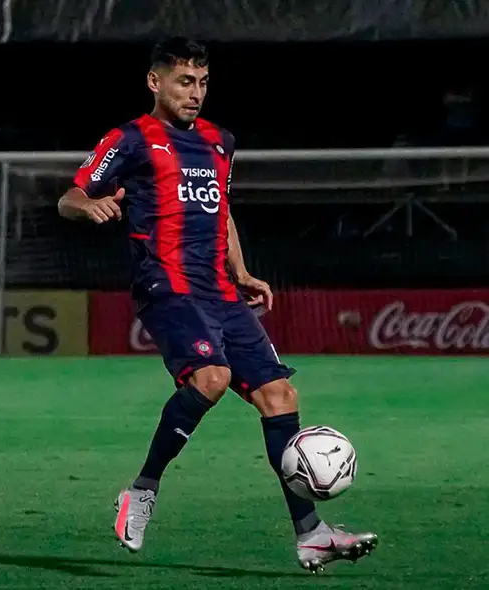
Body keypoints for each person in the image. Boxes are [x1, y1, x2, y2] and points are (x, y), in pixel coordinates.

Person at [57, 37, 377, 573]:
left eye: (203, 83)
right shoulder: (130, 139)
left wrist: (242, 271)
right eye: (185, 81)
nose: (196, 93)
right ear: (155, 81)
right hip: (167, 285)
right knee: (211, 378)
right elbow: (68, 196)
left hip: (220, 291)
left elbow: (221, 211)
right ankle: (141, 491)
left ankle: (311, 535)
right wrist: (87, 206)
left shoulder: (219, 142)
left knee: (280, 395)